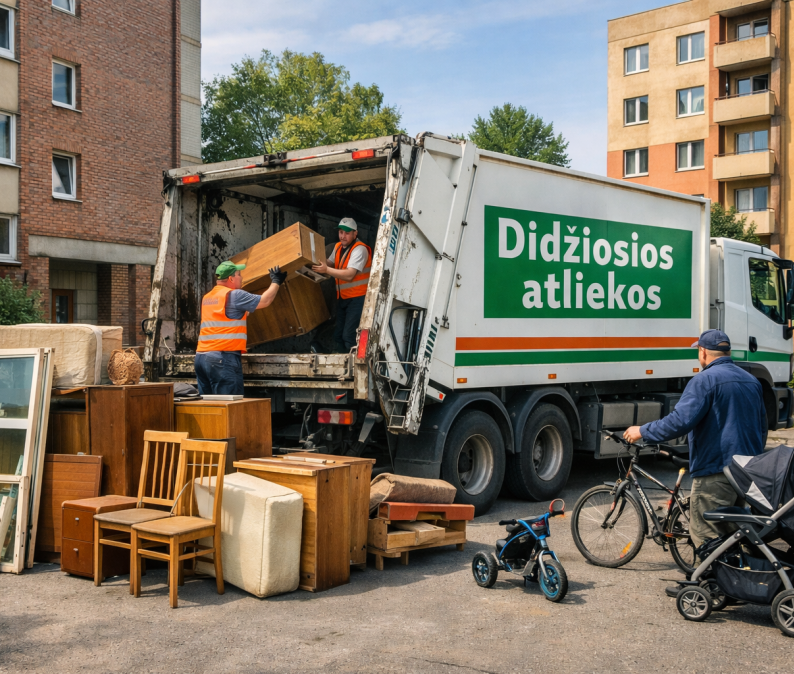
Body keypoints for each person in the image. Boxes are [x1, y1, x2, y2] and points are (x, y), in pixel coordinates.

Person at [623, 329, 766, 557]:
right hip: (747, 471)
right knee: (733, 535)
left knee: (705, 535)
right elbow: (761, 426)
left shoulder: (704, 380)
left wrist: (642, 430)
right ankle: (735, 586)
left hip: (716, 470)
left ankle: (707, 588)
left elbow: (680, 421)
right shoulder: (751, 381)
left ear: (702, 352)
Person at [195, 260, 287, 396]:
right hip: (222, 358)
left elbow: (232, 314)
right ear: (231, 279)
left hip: (202, 358)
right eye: (239, 275)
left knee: (209, 407)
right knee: (228, 406)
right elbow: (265, 301)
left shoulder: (208, 297)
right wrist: (276, 281)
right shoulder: (235, 295)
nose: (242, 277)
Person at [311, 217, 372, 352]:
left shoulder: (360, 249)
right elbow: (331, 263)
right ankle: (341, 358)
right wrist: (311, 262)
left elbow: (350, 275)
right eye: (340, 232)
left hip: (358, 299)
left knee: (348, 336)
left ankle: (353, 368)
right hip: (343, 298)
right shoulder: (338, 247)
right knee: (338, 335)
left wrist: (325, 270)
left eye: (347, 233)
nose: (343, 236)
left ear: (355, 233)